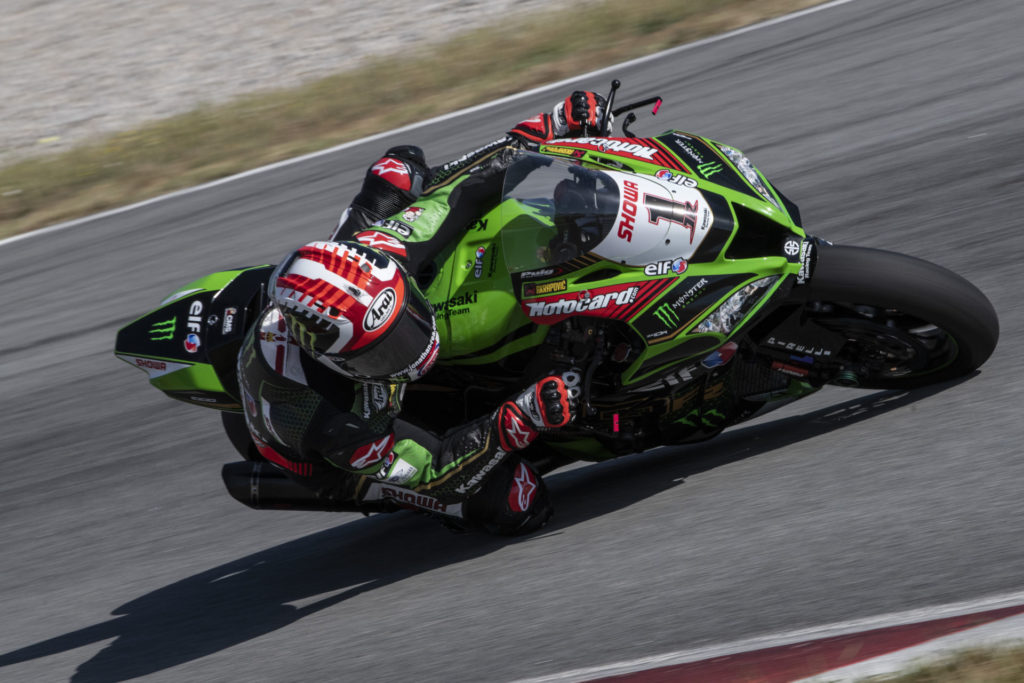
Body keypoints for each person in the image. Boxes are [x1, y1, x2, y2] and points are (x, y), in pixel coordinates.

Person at [234, 91, 609, 535]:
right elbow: (434, 473)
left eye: (405, 318)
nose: (412, 348)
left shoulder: (379, 253)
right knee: (518, 501)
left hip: (355, 279)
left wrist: (549, 127)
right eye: (382, 351)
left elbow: (463, 187)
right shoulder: (333, 422)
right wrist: (516, 420)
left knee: (400, 171)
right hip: (352, 455)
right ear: (335, 358)